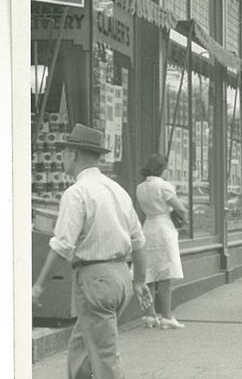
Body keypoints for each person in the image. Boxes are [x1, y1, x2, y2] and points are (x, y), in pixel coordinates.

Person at [32, 123, 152, 379]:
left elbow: (62, 244)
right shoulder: (118, 190)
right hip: (121, 277)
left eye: (64, 152)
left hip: (94, 280)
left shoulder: (77, 193)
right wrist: (139, 281)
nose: (63, 157)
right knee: (81, 348)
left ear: (74, 154)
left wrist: (39, 286)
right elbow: (139, 241)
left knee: (104, 356)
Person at [136, 153, 188, 329]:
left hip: (148, 227)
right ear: (161, 169)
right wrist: (184, 217)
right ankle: (167, 315)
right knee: (165, 274)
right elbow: (180, 208)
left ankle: (150, 315)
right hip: (164, 228)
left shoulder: (140, 188)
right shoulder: (164, 186)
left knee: (148, 273)